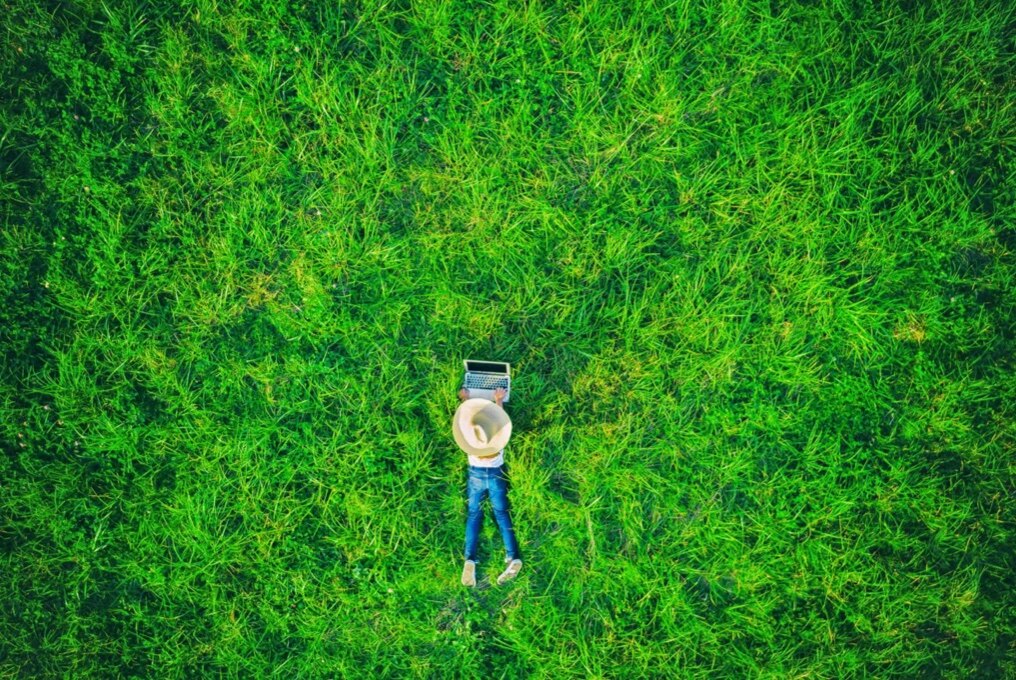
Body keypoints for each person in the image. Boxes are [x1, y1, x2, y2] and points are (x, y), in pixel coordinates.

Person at [453, 386, 522, 587]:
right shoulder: (496, 440)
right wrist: (498, 400)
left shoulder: (470, 441)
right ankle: (512, 556)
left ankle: (470, 558)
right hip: (496, 474)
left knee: (474, 514)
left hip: (475, 474)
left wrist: (464, 399)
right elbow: (499, 426)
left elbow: (467, 424)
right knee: (501, 514)